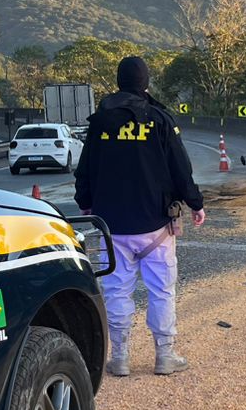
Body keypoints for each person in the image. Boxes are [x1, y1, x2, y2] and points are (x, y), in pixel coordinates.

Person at [74, 56, 205, 376]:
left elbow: (85, 168)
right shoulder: (159, 119)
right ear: (145, 82)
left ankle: (119, 358)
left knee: (116, 291)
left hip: (112, 225)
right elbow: (180, 167)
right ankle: (165, 355)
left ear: (119, 82)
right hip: (156, 224)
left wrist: (85, 202)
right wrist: (195, 203)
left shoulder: (100, 121)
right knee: (162, 291)